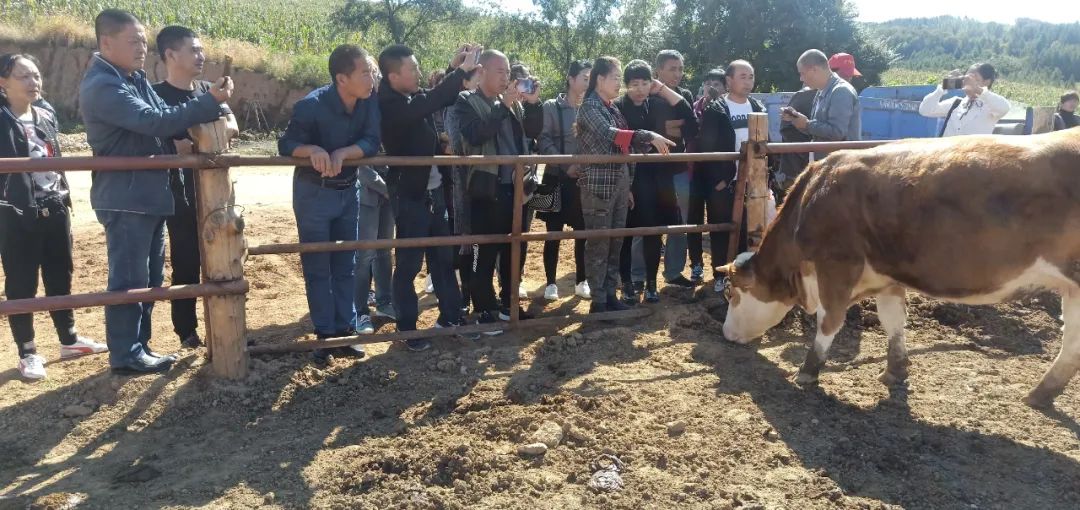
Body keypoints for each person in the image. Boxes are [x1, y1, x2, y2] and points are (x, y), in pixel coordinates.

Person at [80, 9, 232, 375]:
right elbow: (154, 121)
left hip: (145, 195)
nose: (141, 49)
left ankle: (138, 346)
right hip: (127, 197)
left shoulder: (131, 78)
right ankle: (126, 352)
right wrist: (208, 102)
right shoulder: (104, 85)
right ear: (106, 43)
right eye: (133, 42)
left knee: (148, 279)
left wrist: (202, 104)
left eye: (144, 42)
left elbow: (164, 111)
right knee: (129, 280)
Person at [0, 54, 108, 380]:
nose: (34, 82)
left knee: (61, 274)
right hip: (15, 213)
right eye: (24, 77)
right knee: (21, 282)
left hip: (55, 207)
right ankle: (28, 351)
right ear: (2, 83)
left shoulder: (46, 114)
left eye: (36, 75)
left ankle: (69, 340)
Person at [278, 44, 380, 365]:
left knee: (345, 263)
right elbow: (286, 143)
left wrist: (343, 153)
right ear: (341, 78)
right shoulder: (311, 106)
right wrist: (311, 150)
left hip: (349, 190)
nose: (371, 78)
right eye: (364, 72)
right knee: (318, 266)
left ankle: (346, 330)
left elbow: (372, 140)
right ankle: (325, 333)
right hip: (314, 194)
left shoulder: (368, 100)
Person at [379, 43, 480, 351]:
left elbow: (432, 97)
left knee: (443, 258)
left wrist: (453, 71)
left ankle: (451, 317)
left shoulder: (407, 97)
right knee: (409, 264)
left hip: (433, 191)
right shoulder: (389, 103)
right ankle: (407, 328)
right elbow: (430, 101)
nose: (419, 72)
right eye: (413, 69)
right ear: (393, 76)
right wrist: (460, 72)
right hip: (410, 196)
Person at [152, 25, 238, 350]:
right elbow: (156, 139)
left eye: (202, 50)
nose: (201, 56)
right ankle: (187, 333)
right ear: (171, 55)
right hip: (180, 195)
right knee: (186, 263)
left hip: (217, 193)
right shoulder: (154, 95)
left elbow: (232, 124)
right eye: (194, 50)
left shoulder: (208, 90)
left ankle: (224, 327)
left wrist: (207, 137)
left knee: (224, 258)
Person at [575, 56, 673, 314]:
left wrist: (627, 184)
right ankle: (598, 301)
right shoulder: (590, 108)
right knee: (599, 243)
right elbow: (611, 135)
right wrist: (648, 136)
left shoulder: (611, 108)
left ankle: (609, 294)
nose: (620, 83)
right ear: (600, 79)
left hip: (618, 184)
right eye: (616, 78)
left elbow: (625, 143)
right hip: (598, 185)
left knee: (615, 241)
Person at [456, 51, 543, 328]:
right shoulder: (466, 101)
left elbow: (533, 131)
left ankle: (509, 304)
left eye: (508, 72)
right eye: (500, 71)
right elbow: (476, 134)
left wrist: (533, 103)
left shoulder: (515, 104)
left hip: (518, 189)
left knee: (514, 250)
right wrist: (503, 105)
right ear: (481, 72)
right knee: (484, 252)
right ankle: (484, 309)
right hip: (487, 189)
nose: (507, 77)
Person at [616, 60, 695, 304]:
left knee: (654, 231)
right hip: (630, 176)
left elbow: (689, 119)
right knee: (628, 232)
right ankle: (628, 283)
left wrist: (662, 90)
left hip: (660, 178)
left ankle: (651, 283)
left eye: (645, 83)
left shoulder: (657, 104)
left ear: (652, 83)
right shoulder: (618, 108)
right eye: (634, 84)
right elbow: (617, 140)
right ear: (625, 86)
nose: (640, 89)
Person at [692, 60, 764, 294]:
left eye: (751, 76)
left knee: (747, 230)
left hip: (753, 181)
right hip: (725, 182)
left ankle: (742, 275)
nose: (748, 81)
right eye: (742, 76)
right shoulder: (717, 110)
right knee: (721, 229)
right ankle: (721, 275)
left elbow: (766, 145)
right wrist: (719, 181)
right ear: (729, 81)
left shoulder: (757, 107)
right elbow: (707, 147)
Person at [537, 59, 591, 302]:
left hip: (583, 181)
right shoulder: (551, 106)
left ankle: (581, 280)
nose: (588, 82)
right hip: (554, 178)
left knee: (583, 232)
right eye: (585, 77)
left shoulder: (592, 107)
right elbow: (543, 140)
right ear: (571, 79)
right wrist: (565, 165)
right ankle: (550, 283)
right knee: (553, 233)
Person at [353, 55, 396, 333]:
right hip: (369, 193)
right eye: (369, 74)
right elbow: (360, 163)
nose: (374, 80)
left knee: (384, 250)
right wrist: (386, 186)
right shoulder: (356, 112)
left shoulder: (386, 109)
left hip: (388, 192)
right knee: (365, 254)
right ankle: (359, 311)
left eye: (376, 74)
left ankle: (385, 301)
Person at [650, 49, 698, 288]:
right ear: (657, 70)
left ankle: (674, 272)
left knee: (680, 222)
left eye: (680, 69)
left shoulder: (685, 94)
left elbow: (691, 127)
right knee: (646, 223)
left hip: (678, 168)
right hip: (651, 170)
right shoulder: (646, 97)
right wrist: (675, 128)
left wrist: (675, 128)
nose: (677, 74)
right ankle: (638, 276)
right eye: (672, 69)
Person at [783, 49, 861, 160]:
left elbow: (837, 132)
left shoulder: (841, 91)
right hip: (831, 164)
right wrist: (797, 120)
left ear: (814, 70)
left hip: (842, 167)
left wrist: (807, 124)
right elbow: (818, 131)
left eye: (802, 73)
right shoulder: (822, 90)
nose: (801, 79)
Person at [918, 63, 1009, 137]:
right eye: (966, 77)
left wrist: (977, 89)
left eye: (974, 78)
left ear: (986, 82)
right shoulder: (956, 103)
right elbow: (925, 110)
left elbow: (1004, 107)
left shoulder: (990, 106)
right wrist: (944, 86)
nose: (967, 81)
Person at [775, 86, 816, 190]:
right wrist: (810, 152)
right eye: (845, 76)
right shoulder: (804, 96)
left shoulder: (832, 95)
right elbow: (787, 129)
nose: (848, 80)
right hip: (796, 173)